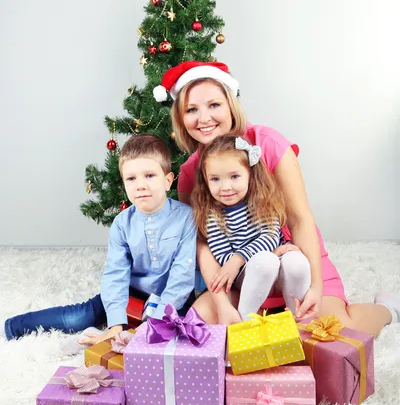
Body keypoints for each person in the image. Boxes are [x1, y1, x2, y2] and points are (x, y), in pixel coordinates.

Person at [153, 59, 399, 336]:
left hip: (295, 261)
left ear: (230, 105)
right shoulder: (189, 173)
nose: (204, 118)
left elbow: (299, 218)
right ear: (181, 119)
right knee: (202, 328)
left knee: (330, 334)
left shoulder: (268, 143)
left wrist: (315, 286)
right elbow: (200, 243)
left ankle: (387, 309)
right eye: (191, 110)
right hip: (242, 275)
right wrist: (221, 302)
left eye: (214, 105)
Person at [1, 134, 196, 348]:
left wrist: (153, 323)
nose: (140, 185)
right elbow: (115, 273)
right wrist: (115, 323)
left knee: (178, 330)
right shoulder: (122, 223)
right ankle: (12, 326)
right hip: (131, 293)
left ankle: (128, 331)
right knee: (80, 316)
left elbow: (182, 277)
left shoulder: (186, 218)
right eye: (131, 179)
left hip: (170, 298)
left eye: (149, 175)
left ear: (168, 181)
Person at [190, 133, 311, 321]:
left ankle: (297, 317)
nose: (225, 187)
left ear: (249, 175)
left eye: (234, 177)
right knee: (266, 261)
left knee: (298, 262)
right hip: (247, 274)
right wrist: (242, 260)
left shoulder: (262, 201)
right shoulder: (211, 214)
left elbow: (269, 237)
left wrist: (241, 257)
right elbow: (222, 256)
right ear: (205, 180)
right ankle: (244, 321)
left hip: (273, 265)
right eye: (215, 179)